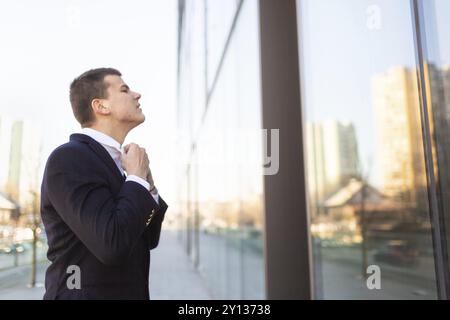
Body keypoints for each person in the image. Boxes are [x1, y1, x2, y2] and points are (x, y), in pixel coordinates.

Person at [40, 68, 168, 299]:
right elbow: (112, 245)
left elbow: (146, 240)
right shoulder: (70, 158)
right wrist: (137, 181)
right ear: (101, 106)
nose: (137, 94)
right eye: (124, 89)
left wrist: (147, 187)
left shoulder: (122, 164)